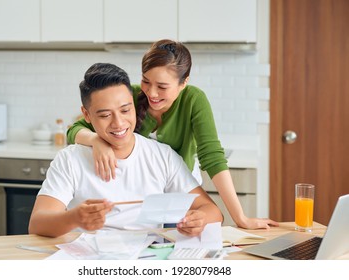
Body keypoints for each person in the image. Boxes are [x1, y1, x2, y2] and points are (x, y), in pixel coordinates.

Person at [67, 39, 278, 230]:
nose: (151, 93)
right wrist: (96, 141)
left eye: (162, 86)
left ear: (183, 83)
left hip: (181, 194)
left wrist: (240, 218)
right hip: (139, 198)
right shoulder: (129, 97)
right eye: (146, 81)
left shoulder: (194, 100)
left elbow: (212, 157)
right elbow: (75, 129)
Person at [29, 62, 222, 238]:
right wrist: (74, 218)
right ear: (86, 115)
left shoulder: (162, 156)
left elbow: (213, 211)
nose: (119, 123)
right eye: (105, 115)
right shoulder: (70, 159)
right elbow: (37, 224)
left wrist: (200, 219)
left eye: (125, 110)